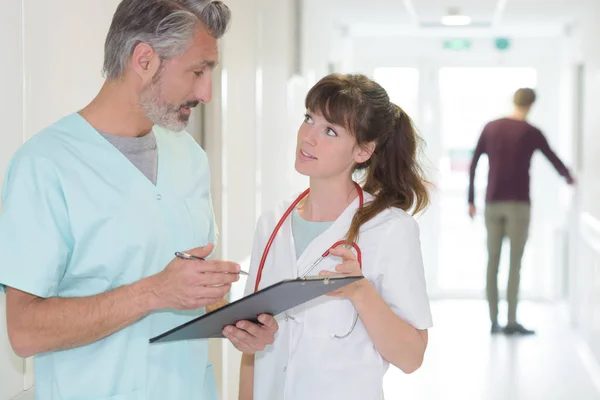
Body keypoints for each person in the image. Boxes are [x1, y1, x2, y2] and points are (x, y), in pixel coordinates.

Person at [0, 1, 277, 399]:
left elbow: (195, 293)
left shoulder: (190, 158)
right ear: (144, 59)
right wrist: (152, 292)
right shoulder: (45, 164)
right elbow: (23, 332)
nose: (207, 93)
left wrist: (236, 323)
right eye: (198, 72)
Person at [236, 73, 433, 400]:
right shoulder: (272, 223)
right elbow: (251, 343)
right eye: (308, 119)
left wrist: (361, 291)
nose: (308, 137)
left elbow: (412, 357)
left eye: (330, 130)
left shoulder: (390, 229)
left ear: (363, 151)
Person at [468, 88, 575, 335]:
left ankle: (493, 321)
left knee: (492, 262)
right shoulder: (531, 132)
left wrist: (471, 200)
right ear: (530, 105)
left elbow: (474, 163)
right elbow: (553, 159)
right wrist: (570, 178)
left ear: (513, 101)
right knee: (514, 264)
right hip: (518, 204)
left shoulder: (491, 127)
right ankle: (511, 321)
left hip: (492, 202)